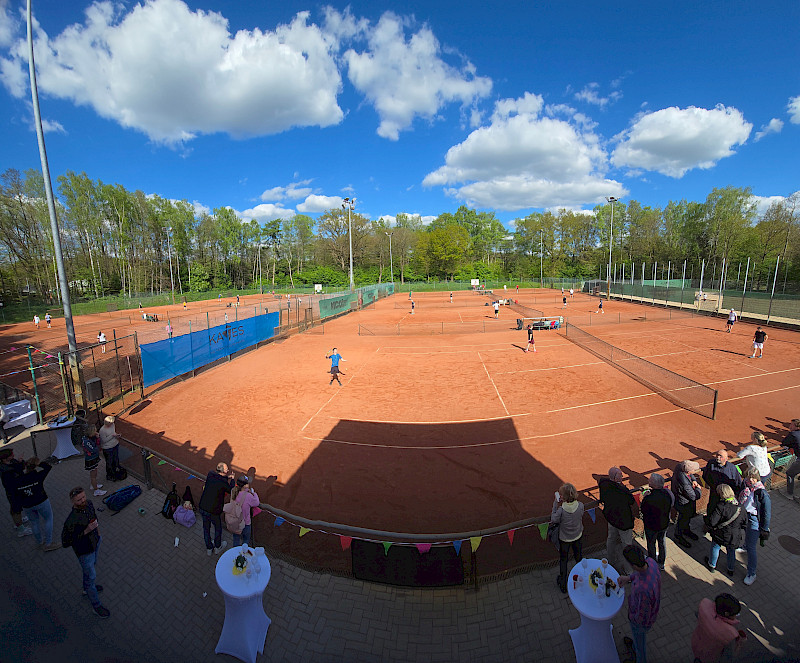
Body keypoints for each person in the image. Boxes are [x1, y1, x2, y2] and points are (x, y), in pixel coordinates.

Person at [61, 486, 109, 618]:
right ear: (72, 501)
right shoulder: (71, 520)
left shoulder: (89, 504)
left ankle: (86, 588)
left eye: (83, 497)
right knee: (91, 576)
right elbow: (66, 542)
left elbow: (95, 518)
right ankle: (96, 605)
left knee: (89, 571)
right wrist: (86, 531)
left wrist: (98, 535)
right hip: (85, 551)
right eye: (78, 500)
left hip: (95, 543)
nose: (82, 501)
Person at [617, 545, 660, 663]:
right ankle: (635, 645)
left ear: (634, 566)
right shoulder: (651, 562)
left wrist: (632, 618)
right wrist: (628, 578)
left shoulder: (643, 589)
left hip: (640, 622)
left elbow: (642, 614)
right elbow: (640, 573)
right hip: (650, 614)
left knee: (640, 646)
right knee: (637, 640)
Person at [9, 457, 60, 551]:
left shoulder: (15, 480)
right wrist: (39, 463)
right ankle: (48, 543)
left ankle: (39, 541)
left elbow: (13, 493)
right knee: (48, 519)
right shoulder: (37, 475)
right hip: (41, 500)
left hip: (27, 504)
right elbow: (48, 467)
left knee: (34, 522)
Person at [598, 467, 637, 574]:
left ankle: (611, 561)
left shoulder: (604, 485)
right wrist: (622, 486)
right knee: (627, 545)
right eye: (620, 475)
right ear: (615, 479)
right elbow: (631, 500)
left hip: (611, 519)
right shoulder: (622, 490)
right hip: (623, 522)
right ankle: (629, 571)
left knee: (611, 539)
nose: (622, 476)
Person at [738, 465, 771, 586]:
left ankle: (752, 573)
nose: (750, 480)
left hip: (754, 520)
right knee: (747, 537)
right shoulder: (746, 485)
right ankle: (745, 546)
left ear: (757, 478)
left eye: (753, 478)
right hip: (746, 516)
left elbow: (766, 513)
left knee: (752, 548)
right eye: (749, 477)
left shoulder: (762, 493)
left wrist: (764, 528)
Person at [691, 594, 747, 663]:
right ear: (727, 614)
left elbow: (698, 615)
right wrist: (740, 643)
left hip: (697, 641)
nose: (736, 616)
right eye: (735, 614)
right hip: (710, 654)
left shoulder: (704, 606)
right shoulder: (730, 633)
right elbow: (730, 655)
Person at [551, 483, 584, 593]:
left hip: (565, 539)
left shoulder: (561, 510)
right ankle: (582, 579)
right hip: (577, 536)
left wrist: (555, 504)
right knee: (578, 558)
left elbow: (554, 519)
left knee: (563, 560)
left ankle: (563, 584)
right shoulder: (580, 505)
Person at [703, 484, 743, 577]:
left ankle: (712, 565)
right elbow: (744, 522)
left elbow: (713, 522)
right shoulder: (740, 506)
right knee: (731, 551)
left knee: (715, 547)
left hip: (720, 533)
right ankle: (730, 569)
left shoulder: (720, 507)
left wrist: (706, 520)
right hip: (733, 535)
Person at [198, 462, 234, 556]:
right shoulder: (223, 483)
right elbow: (231, 489)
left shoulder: (210, 474)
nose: (228, 470)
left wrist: (227, 477)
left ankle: (209, 548)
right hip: (214, 511)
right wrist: (232, 479)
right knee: (218, 528)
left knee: (206, 528)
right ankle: (218, 547)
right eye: (226, 469)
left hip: (203, 507)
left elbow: (219, 479)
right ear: (222, 471)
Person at [641, 473, 673, 570]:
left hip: (651, 526)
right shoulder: (667, 494)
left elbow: (643, 510)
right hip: (663, 524)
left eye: (650, 480)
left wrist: (645, 497)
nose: (648, 481)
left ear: (654, 484)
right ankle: (661, 563)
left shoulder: (649, 498)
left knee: (651, 544)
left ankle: (652, 563)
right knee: (662, 542)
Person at [0, 448, 32, 537]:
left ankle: (19, 521)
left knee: (18, 507)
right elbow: (16, 472)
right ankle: (20, 529)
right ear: (5, 459)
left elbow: (19, 467)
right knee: (16, 509)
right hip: (13, 492)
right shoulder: (5, 471)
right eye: (11, 455)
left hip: (18, 490)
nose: (13, 455)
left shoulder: (11, 463)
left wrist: (20, 461)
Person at [671, 460, 701, 548]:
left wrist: (694, 479)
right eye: (693, 470)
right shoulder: (685, 482)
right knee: (683, 518)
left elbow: (690, 473)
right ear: (688, 471)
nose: (694, 472)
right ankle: (678, 535)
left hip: (682, 500)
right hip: (683, 502)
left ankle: (686, 530)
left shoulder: (680, 467)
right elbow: (693, 496)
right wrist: (698, 489)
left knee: (685, 518)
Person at [703, 450, 743, 515]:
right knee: (712, 507)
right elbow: (705, 475)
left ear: (726, 459)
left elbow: (737, 481)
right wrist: (712, 486)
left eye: (720, 456)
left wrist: (734, 493)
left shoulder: (732, 468)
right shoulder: (711, 464)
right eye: (717, 455)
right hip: (715, 492)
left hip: (726, 494)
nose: (718, 457)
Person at [232, 475, 259, 547]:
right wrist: (253, 493)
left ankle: (236, 554)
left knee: (236, 539)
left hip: (235, 522)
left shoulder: (234, 491)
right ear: (245, 486)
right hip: (245, 523)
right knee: (246, 541)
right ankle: (243, 555)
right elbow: (256, 503)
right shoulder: (248, 496)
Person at [81, 424, 106, 497]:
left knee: (94, 473)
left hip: (93, 458)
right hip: (91, 459)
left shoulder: (90, 438)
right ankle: (96, 490)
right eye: (94, 430)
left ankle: (94, 485)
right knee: (93, 476)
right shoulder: (86, 441)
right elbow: (94, 449)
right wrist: (98, 441)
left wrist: (97, 438)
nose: (96, 432)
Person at [98, 416, 122, 481]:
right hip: (108, 448)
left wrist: (117, 435)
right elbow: (104, 440)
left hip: (115, 445)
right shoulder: (102, 430)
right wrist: (112, 436)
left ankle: (116, 473)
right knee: (109, 462)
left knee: (116, 459)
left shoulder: (113, 425)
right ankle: (109, 475)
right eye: (111, 423)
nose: (112, 424)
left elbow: (113, 432)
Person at [782, 418, 800, 499]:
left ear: (796, 427)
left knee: (790, 474)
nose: (790, 426)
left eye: (791, 424)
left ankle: (789, 494)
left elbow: (784, 443)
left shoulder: (792, 434)